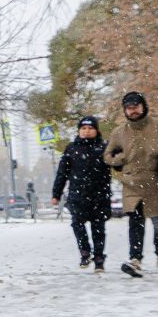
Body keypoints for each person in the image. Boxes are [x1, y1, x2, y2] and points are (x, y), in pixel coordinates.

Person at [104, 91, 158, 277]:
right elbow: (107, 156)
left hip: (157, 183)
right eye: (129, 108)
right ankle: (135, 259)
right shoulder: (119, 132)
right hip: (133, 184)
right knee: (135, 223)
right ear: (125, 110)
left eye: (136, 106)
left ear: (143, 106)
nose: (133, 111)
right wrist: (119, 158)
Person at [50, 116, 111, 272]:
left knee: (98, 229)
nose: (87, 131)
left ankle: (98, 258)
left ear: (96, 130)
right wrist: (56, 194)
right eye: (83, 128)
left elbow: (116, 165)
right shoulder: (72, 148)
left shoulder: (104, 148)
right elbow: (62, 173)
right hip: (78, 195)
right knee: (77, 225)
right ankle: (85, 252)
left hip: (99, 195)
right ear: (79, 131)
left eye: (90, 128)